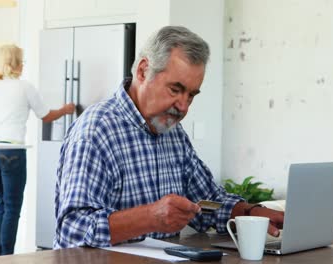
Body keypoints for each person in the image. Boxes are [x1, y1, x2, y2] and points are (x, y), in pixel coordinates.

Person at [54, 26, 284, 249]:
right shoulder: (96, 131)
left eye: (191, 95)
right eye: (175, 89)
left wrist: (252, 213)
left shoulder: (172, 132)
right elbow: (72, 230)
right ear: (143, 71)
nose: (183, 106)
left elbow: (207, 202)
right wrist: (149, 217)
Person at [0, 44, 75, 256]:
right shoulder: (24, 87)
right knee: (12, 207)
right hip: (12, 151)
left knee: (1, 204)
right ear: (16, 63)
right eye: (21, 61)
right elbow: (45, 115)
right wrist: (66, 110)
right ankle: (6, 256)